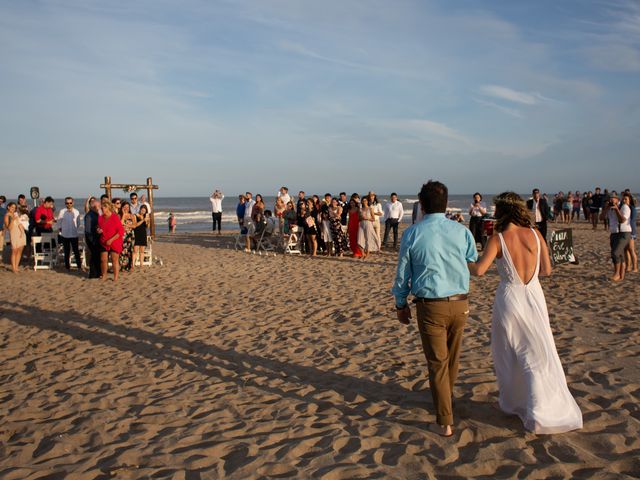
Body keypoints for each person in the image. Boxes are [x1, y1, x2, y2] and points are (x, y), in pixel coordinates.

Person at [468, 192, 582, 434]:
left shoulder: (497, 239)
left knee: (511, 352)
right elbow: (547, 271)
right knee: (538, 350)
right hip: (533, 296)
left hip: (510, 299)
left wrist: (461, 259)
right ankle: (539, 406)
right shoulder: (536, 234)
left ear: (501, 212)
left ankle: (519, 403)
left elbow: (478, 271)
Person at [392, 180, 477, 437]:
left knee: (438, 362)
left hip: (431, 306)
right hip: (460, 301)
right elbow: (472, 261)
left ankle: (445, 421)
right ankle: (445, 398)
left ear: (423, 205)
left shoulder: (413, 233)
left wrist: (400, 303)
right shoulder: (461, 231)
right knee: (451, 357)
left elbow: (402, 273)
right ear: (446, 203)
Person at [602, 193, 632, 282]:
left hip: (624, 233)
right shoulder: (609, 208)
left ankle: (616, 274)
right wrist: (606, 208)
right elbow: (601, 217)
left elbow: (622, 220)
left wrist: (616, 209)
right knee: (620, 255)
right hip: (614, 233)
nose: (611, 200)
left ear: (618, 200)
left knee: (615, 253)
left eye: (613, 199)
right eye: (610, 199)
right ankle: (621, 276)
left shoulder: (624, 207)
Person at [97, 199, 124, 281]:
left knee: (114, 260)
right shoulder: (100, 218)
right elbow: (99, 226)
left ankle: (115, 277)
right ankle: (104, 275)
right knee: (103, 260)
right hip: (103, 241)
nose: (102, 210)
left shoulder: (115, 217)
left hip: (115, 241)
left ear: (108, 208)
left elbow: (121, 231)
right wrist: (98, 230)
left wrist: (111, 240)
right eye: (101, 208)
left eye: (103, 208)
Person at [56, 197, 82, 271]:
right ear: (65, 203)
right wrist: (61, 229)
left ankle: (79, 267)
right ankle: (67, 267)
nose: (69, 204)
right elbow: (59, 222)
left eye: (70, 203)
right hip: (65, 235)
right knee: (66, 252)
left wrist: (75, 229)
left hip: (74, 235)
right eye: (67, 203)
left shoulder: (76, 211)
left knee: (76, 251)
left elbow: (78, 223)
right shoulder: (62, 211)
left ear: (73, 203)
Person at [4, 203, 26, 272]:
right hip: (14, 234)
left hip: (21, 233)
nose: (13, 208)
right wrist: (13, 219)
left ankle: (16, 267)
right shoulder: (7, 215)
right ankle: (13, 268)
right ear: (8, 207)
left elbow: (20, 224)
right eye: (12, 207)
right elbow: (9, 228)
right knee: (14, 251)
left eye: (14, 207)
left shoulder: (16, 214)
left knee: (20, 251)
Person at [84, 197, 101, 279]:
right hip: (92, 239)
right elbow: (88, 230)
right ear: (91, 207)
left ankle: (97, 273)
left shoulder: (97, 214)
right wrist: (93, 240)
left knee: (97, 256)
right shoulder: (89, 216)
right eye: (95, 207)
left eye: (98, 206)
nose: (97, 208)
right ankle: (93, 274)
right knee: (94, 256)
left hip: (97, 238)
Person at [119, 201, 135, 272]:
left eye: (127, 207)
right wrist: (123, 215)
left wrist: (127, 225)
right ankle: (122, 267)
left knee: (130, 251)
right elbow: (120, 224)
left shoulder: (132, 216)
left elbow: (135, 225)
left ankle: (130, 266)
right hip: (122, 235)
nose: (126, 208)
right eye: (124, 207)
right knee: (122, 251)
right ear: (122, 208)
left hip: (130, 235)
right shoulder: (119, 215)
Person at [624, 192, 638, 273]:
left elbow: (632, 220)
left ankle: (635, 267)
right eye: (624, 199)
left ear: (630, 200)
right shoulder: (623, 207)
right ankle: (628, 267)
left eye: (626, 199)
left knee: (631, 249)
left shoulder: (632, 208)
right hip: (625, 230)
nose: (624, 200)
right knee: (626, 249)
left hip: (631, 230)